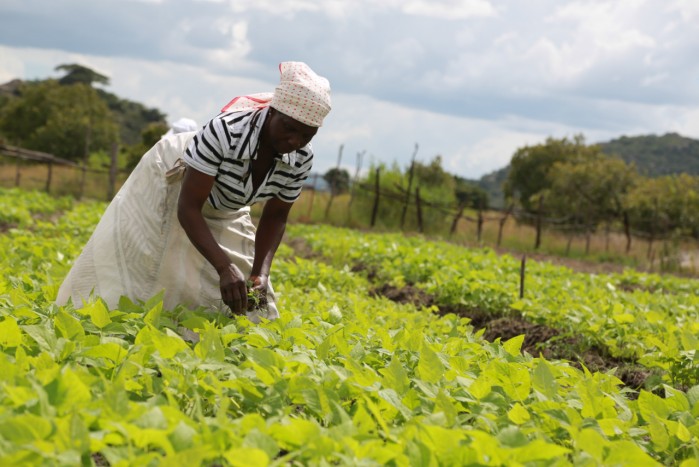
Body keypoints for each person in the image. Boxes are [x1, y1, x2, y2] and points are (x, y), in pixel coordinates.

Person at [56, 62, 331, 322]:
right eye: (289, 128)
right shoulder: (225, 132)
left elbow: (276, 217)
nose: (294, 141)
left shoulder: (301, 157)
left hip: (225, 202)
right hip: (172, 176)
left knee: (252, 292)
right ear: (272, 112)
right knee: (155, 257)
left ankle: (196, 333)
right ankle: (105, 317)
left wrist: (261, 272)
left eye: (307, 135)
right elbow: (188, 208)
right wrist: (223, 267)